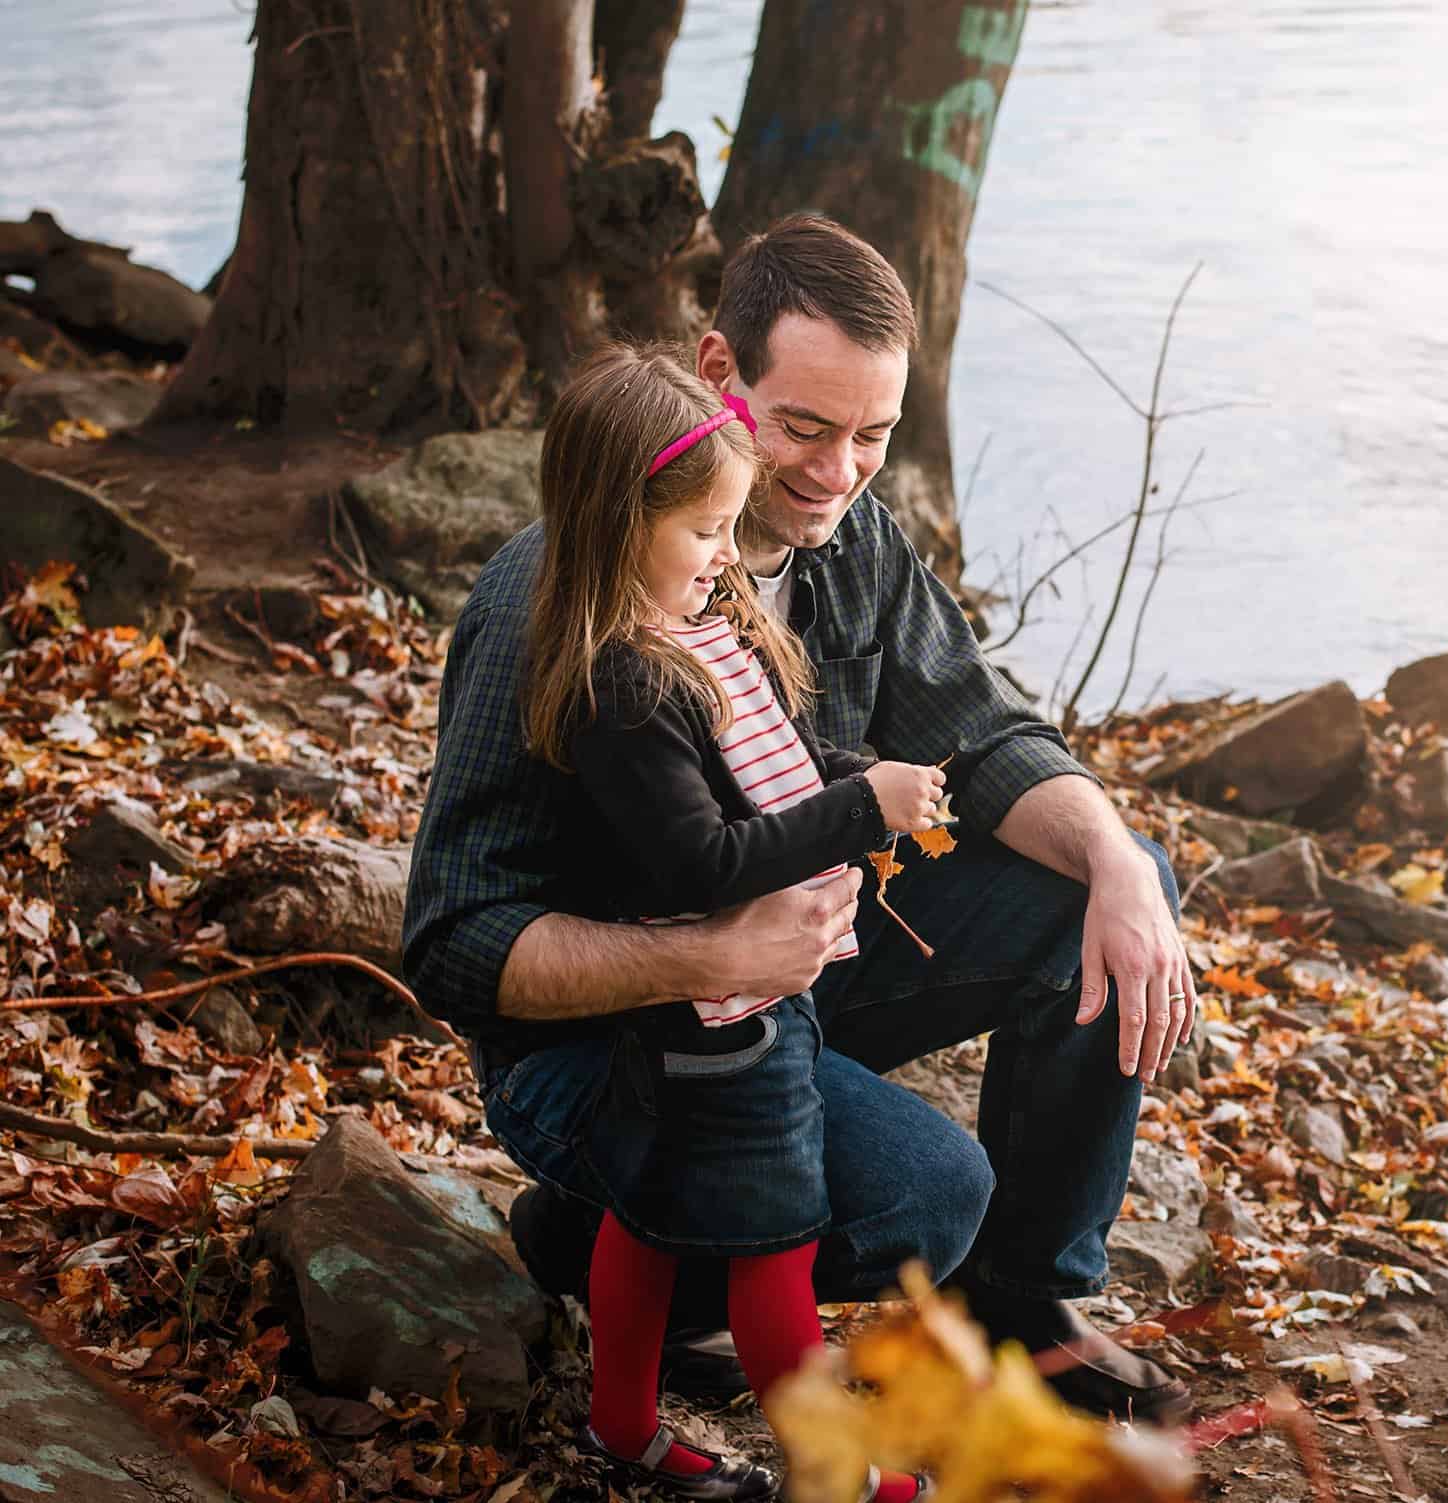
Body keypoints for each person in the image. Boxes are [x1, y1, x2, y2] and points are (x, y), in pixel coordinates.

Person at [403, 213, 1195, 1433]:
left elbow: (979, 733)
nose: (837, 474)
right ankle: (612, 1234)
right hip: (619, 1037)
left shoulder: (847, 534)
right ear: (719, 376)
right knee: (924, 1204)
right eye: (807, 431)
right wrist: (705, 955)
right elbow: (454, 938)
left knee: (1101, 876)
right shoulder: (552, 606)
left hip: (796, 969)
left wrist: (1118, 865)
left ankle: (1022, 1306)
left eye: (872, 437)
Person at [499, 342, 949, 1500]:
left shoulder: (697, 628)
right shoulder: (626, 685)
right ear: (614, 523)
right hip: (717, 1026)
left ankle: (620, 1421)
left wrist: (858, 774)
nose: (722, 557)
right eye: (704, 534)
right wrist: (860, 809)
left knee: (651, 1217)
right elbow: (702, 858)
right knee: (773, 1248)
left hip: (737, 1007)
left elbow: (771, 772)